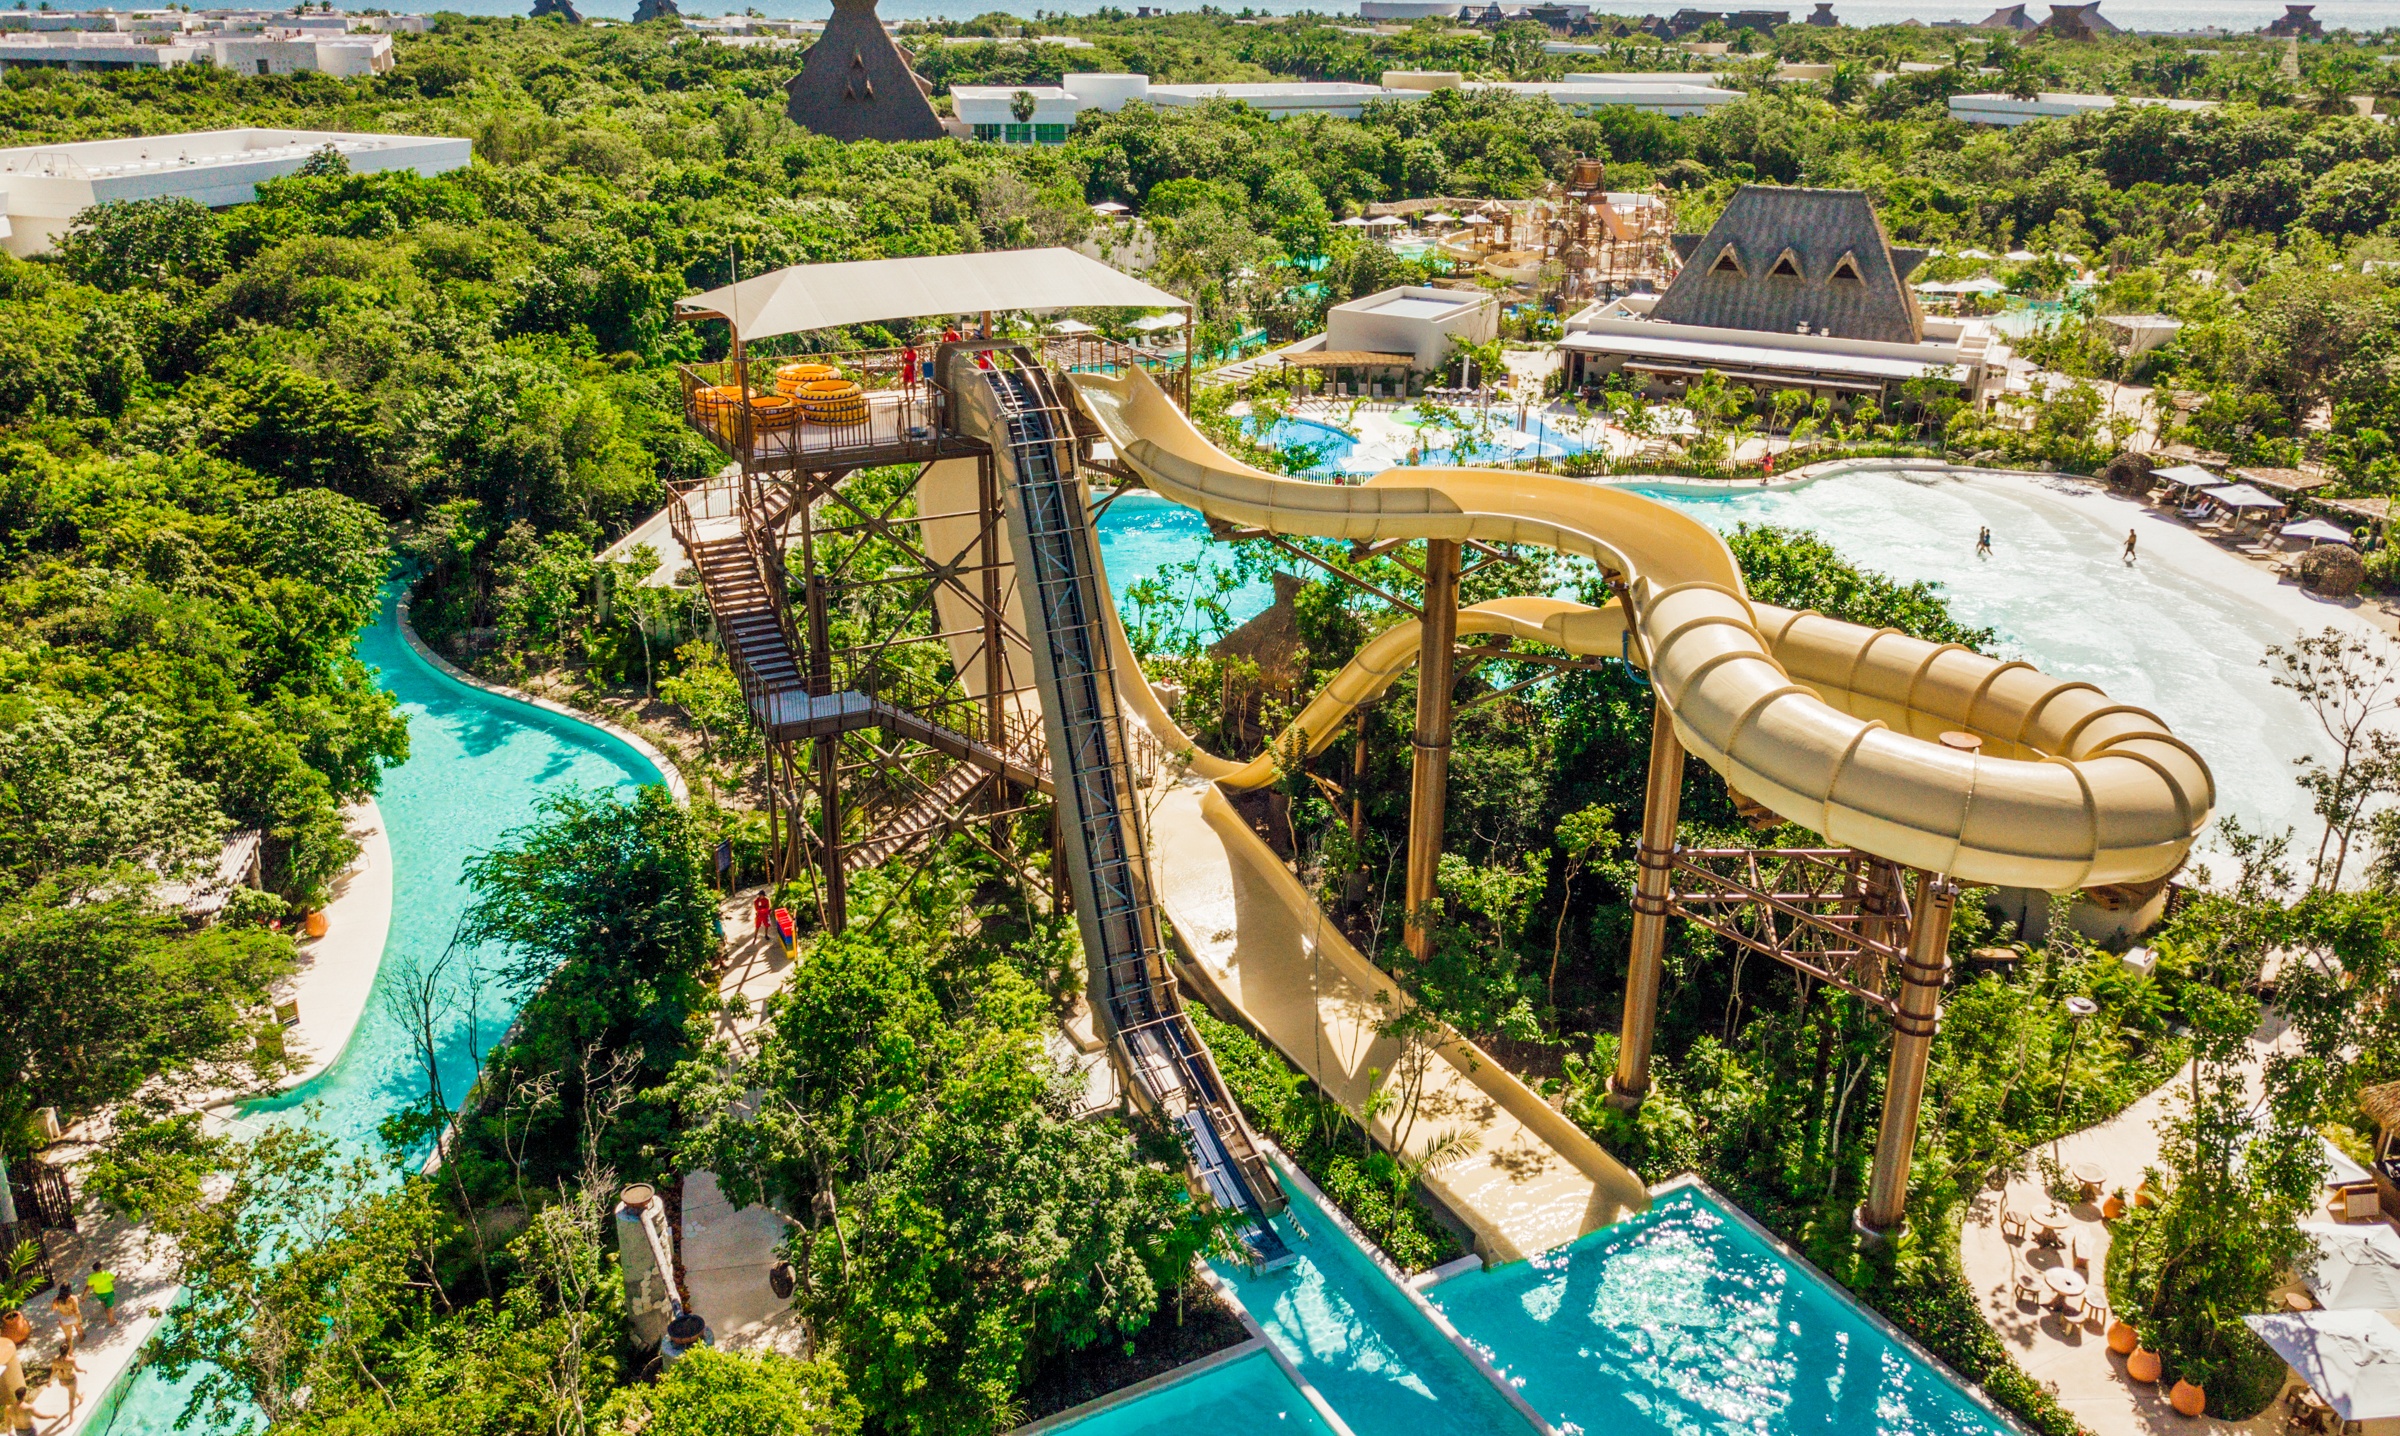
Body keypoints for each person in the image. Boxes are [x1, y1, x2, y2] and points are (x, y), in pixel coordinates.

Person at [48, 1349, 79, 1423]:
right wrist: (84, 1370)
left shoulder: (55, 1359)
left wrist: (49, 1381)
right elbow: (77, 1369)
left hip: (62, 1381)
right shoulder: (71, 1360)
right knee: (71, 1399)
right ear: (67, 1351)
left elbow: (54, 1371)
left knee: (71, 1391)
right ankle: (71, 1418)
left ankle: (80, 1398)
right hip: (70, 1380)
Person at [47, 1286, 80, 1354]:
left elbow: (53, 1309)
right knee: (78, 1327)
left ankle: (70, 1354)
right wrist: (80, 1319)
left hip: (64, 1319)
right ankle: (82, 1337)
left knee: (68, 1338)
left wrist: (60, 1307)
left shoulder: (56, 1300)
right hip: (73, 1316)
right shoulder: (73, 1298)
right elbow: (76, 1311)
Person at [84, 1263, 114, 1327]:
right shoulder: (106, 1273)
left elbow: (88, 1287)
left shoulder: (91, 1277)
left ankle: (104, 1304)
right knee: (109, 1308)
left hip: (98, 1293)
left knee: (102, 1300)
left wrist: (84, 1296)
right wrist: (118, 1275)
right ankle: (111, 1322)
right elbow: (114, 1278)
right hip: (108, 1292)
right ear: (101, 1267)